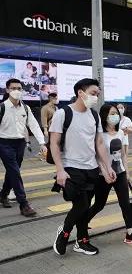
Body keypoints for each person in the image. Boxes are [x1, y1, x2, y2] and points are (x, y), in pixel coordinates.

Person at [51, 78, 116, 256]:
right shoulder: (63, 113)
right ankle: (64, 232)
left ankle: (82, 241)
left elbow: (99, 143)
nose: (96, 97)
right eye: (93, 93)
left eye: (98, 94)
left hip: (91, 168)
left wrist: (107, 167)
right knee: (82, 205)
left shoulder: (94, 115)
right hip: (71, 167)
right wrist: (60, 170)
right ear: (81, 92)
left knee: (85, 207)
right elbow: (54, 143)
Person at [86, 104, 132, 245]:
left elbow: (123, 155)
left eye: (117, 114)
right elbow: (98, 156)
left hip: (119, 173)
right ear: (105, 116)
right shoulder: (99, 134)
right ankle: (83, 222)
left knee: (125, 203)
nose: (115, 116)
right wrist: (105, 172)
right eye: (112, 113)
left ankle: (130, 234)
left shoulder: (120, 132)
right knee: (99, 204)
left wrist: (127, 172)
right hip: (104, 176)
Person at [0, 78, 46, 216]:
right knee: (15, 171)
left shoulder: (26, 107)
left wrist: (42, 143)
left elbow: (33, 125)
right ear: (7, 90)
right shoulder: (2, 107)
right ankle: (24, 204)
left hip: (20, 143)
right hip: (4, 143)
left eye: (19, 89)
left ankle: (3, 195)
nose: (16, 91)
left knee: (12, 171)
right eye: (13, 88)